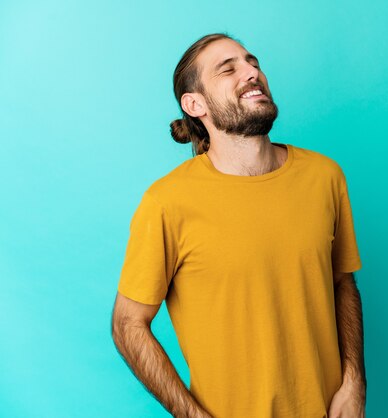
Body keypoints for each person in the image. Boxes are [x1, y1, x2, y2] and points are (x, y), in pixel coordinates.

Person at [110, 33, 366, 418]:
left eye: (253, 63)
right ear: (195, 104)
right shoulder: (167, 202)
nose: (251, 72)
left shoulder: (324, 177)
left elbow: (342, 283)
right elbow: (128, 324)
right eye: (227, 69)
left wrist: (354, 382)